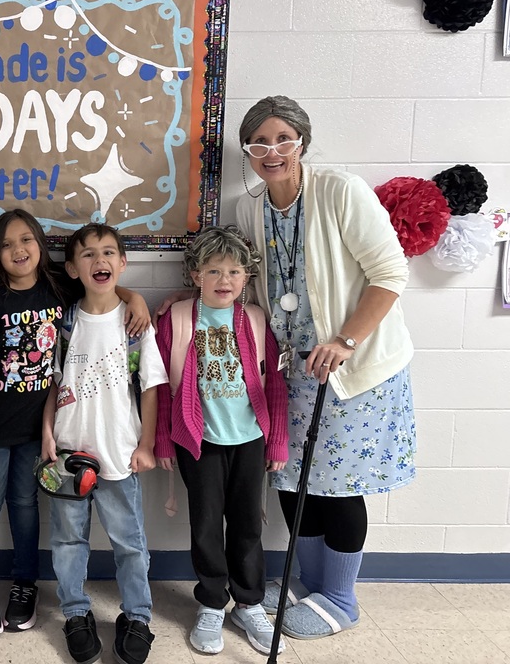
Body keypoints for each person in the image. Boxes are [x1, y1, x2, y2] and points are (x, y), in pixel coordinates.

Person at [234, 95, 416, 640]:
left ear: (302, 143)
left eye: (283, 139)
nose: (272, 151)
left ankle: (340, 597)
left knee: (336, 485)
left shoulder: (340, 191)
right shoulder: (249, 208)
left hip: (352, 371)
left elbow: (390, 273)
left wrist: (346, 339)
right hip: (290, 372)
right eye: (260, 142)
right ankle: (304, 580)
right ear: (247, 150)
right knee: (292, 478)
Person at [0, 209, 151, 638]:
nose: (17, 250)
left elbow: (102, 282)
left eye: (26, 240)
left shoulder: (57, 286)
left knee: (24, 505)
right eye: (6, 244)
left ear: (41, 245)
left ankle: (26, 585)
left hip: (38, 429)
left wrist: (135, 298)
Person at [154, 225, 289, 656]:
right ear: (195, 275)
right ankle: (212, 603)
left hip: (250, 439)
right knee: (207, 525)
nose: (224, 280)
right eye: (213, 270)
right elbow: (158, 386)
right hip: (200, 441)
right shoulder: (175, 319)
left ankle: (248, 604)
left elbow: (275, 384)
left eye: (234, 271)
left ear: (246, 277)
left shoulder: (254, 320)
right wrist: (161, 441)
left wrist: (277, 442)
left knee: (248, 524)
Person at [42, 223, 167, 664]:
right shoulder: (64, 322)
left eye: (109, 252)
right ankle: (75, 613)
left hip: (119, 453)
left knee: (129, 542)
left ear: (123, 263)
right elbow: (53, 385)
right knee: (68, 540)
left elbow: (151, 387)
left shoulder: (135, 324)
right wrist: (47, 432)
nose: (100, 261)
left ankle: (137, 616)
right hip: (69, 454)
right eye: (89, 254)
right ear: (73, 268)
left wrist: (146, 444)